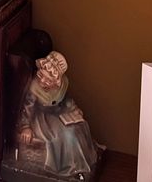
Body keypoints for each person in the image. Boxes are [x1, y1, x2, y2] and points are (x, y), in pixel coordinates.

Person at [16, 51, 99, 179]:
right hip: (41, 118)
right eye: (41, 75)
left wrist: (74, 109)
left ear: (56, 80)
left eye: (48, 80)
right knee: (66, 134)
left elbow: (66, 100)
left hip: (58, 112)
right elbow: (27, 108)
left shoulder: (62, 84)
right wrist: (25, 127)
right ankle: (73, 168)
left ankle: (87, 158)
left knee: (80, 126)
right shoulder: (34, 86)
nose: (42, 81)